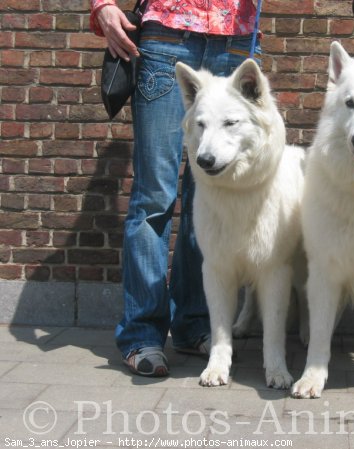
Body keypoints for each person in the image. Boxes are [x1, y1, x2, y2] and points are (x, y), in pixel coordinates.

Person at [89, 0, 260, 377]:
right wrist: (101, 5)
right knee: (154, 197)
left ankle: (193, 323)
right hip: (169, 38)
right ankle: (143, 333)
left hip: (236, 43)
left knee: (211, 202)